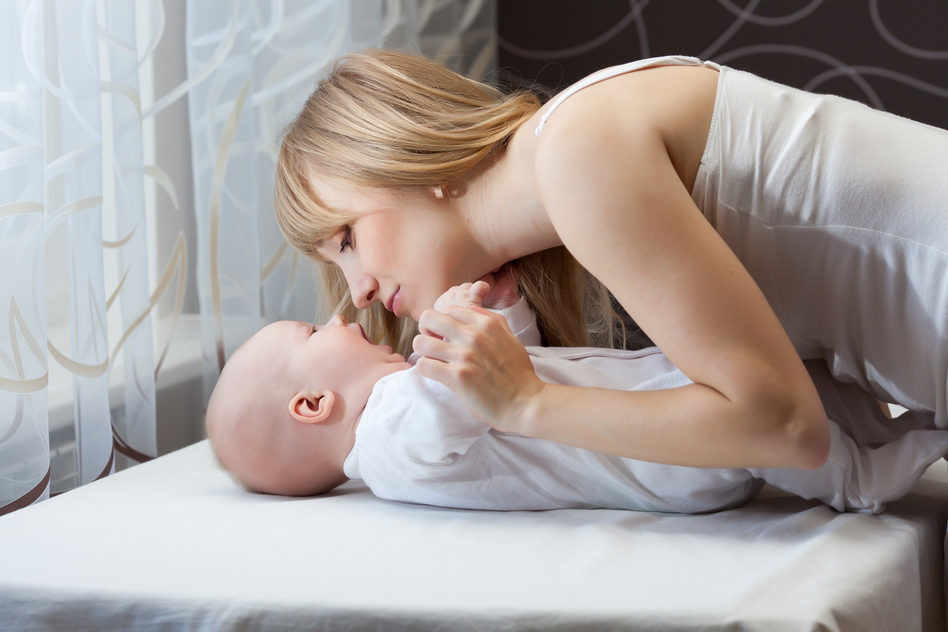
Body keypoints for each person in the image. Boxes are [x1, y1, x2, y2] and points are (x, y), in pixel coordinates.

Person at [273, 49, 948, 473]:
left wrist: (526, 403)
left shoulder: (578, 155)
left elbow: (786, 430)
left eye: (346, 239)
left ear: (410, 163)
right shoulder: (571, 155)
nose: (355, 292)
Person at [206, 283, 948, 514]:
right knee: (777, 434)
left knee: (803, 387)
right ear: (313, 406)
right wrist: (461, 318)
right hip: (664, 457)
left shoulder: (398, 407)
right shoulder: (391, 440)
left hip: (655, 400)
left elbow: (512, 370)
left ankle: (901, 424)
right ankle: (863, 479)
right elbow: (459, 405)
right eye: (313, 329)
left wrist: (506, 314)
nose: (339, 316)